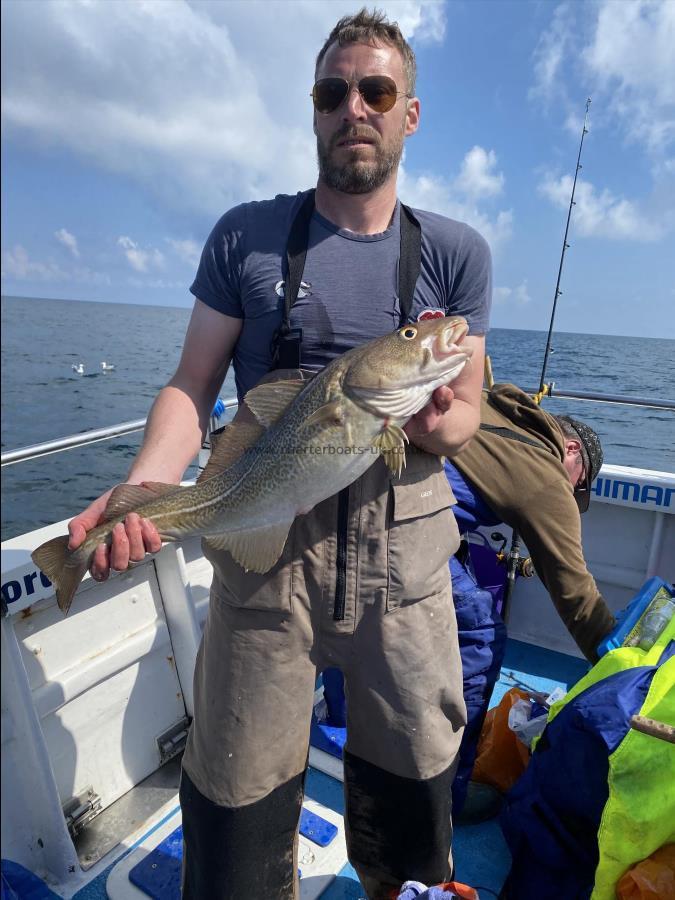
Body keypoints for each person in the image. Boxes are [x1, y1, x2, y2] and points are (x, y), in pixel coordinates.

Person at [67, 9, 492, 898]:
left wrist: (430, 409)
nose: (355, 110)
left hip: (403, 572)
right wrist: (147, 490)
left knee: (415, 817)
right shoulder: (244, 236)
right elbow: (192, 387)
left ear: (408, 113)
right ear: (313, 109)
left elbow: (465, 418)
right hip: (261, 566)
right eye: (334, 92)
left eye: (377, 92)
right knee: (234, 812)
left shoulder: (456, 253)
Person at [446, 382, 616, 817]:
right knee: (481, 636)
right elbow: (577, 596)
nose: (574, 494)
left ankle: (341, 711)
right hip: (394, 521)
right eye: (581, 485)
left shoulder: (492, 401)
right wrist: (620, 670)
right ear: (571, 449)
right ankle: (446, 795)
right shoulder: (548, 476)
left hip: (363, 489)